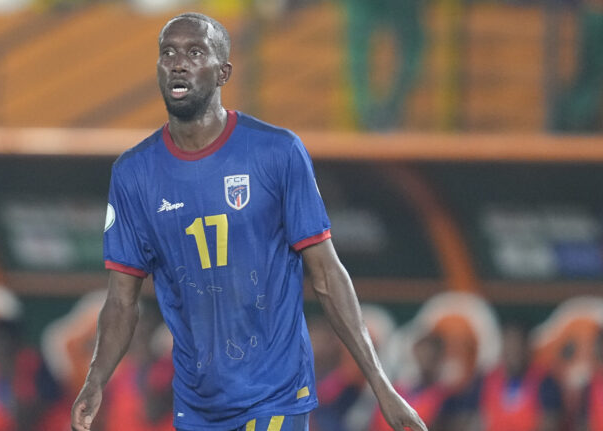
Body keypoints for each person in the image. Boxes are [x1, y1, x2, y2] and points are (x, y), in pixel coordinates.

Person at [71, 12, 426, 431]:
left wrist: (381, 385)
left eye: (195, 52)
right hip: (197, 406)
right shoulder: (134, 174)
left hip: (274, 394)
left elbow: (328, 275)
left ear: (223, 72)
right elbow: (121, 301)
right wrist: (95, 380)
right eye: (168, 53)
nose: (178, 63)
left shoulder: (276, 152)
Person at [477, 322, 563, 431]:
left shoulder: (545, 381)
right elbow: (476, 419)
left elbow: (550, 423)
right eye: (508, 345)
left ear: (527, 348)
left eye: (517, 345)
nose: (513, 352)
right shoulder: (488, 380)